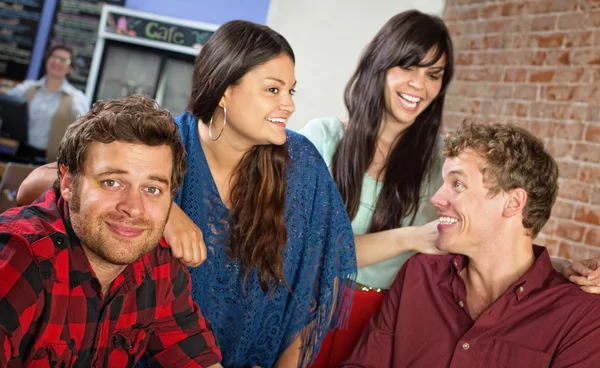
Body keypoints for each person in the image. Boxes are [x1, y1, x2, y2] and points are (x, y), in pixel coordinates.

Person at [15, 21, 357, 368]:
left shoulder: (301, 162)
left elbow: (318, 276)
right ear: (224, 89)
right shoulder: (162, 144)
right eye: (273, 90)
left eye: (291, 92)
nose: (289, 106)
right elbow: (33, 187)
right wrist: (164, 211)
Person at [298, 10, 600, 367]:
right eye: (408, 67)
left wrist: (564, 269)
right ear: (379, 65)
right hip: (311, 307)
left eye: (433, 74)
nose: (419, 85)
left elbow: (492, 234)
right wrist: (412, 237)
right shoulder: (322, 140)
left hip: (388, 314)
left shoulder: (441, 158)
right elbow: (296, 252)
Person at [342, 122, 600, 367]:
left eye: (457, 184)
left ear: (512, 203)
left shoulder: (581, 315)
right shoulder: (420, 274)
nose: (436, 198)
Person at [0, 94, 222, 367]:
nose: (134, 208)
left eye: (151, 189)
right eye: (112, 183)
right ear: (68, 183)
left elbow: (196, 358)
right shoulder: (19, 256)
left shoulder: (160, 265)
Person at [8, 45, 89, 162]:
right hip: (20, 152)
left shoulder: (77, 98)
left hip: (51, 162)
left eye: (63, 60)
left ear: (71, 68)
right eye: (54, 57)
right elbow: (6, 103)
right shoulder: (27, 88)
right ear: (47, 60)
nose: (57, 62)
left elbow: (83, 134)